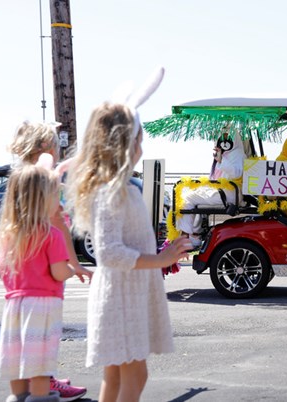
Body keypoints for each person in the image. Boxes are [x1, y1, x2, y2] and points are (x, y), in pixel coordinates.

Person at [66, 96, 193, 399]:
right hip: (121, 298)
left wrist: (163, 253)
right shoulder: (112, 191)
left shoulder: (120, 187)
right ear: (122, 143)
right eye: (139, 139)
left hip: (125, 295)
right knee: (134, 374)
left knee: (116, 376)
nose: (142, 148)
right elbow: (109, 252)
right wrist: (162, 258)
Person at [8, 121, 90, 401]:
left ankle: (39, 383)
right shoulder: (45, 181)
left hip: (22, 277)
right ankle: (46, 383)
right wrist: (74, 265)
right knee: (41, 339)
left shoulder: (20, 179)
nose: (58, 150)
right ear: (44, 148)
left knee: (23, 339)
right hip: (46, 274)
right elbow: (57, 221)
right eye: (56, 145)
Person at [0, 164, 77, 402]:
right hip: (42, 307)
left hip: (14, 306)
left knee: (16, 358)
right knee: (38, 363)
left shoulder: (7, 236)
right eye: (55, 195)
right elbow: (59, 272)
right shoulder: (51, 235)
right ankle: (41, 398)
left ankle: (18, 396)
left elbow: (4, 273)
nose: (59, 202)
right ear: (42, 199)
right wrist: (71, 269)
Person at [175, 132, 248, 247]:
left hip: (229, 193)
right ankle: (194, 235)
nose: (224, 140)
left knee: (188, 198)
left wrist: (221, 161)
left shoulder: (238, 154)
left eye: (227, 137)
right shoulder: (224, 154)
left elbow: (236, 173)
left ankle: (185, 237)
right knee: (192, 196)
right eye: (222, 137)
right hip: (222, 191)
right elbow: (214, 178)